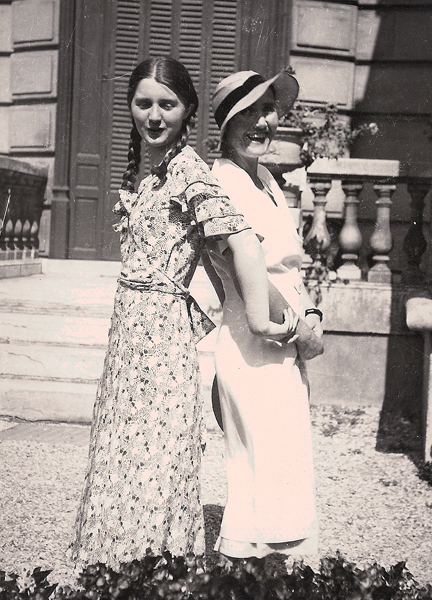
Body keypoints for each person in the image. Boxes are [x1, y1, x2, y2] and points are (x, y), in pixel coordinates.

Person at [69, 57, 295, 569]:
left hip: (161, 335)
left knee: (155, 449)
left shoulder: (190, 169)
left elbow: (241, 240)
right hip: (129, 332)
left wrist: (260, 318)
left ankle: (152, 566)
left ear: (187, 110)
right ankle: (119, 564)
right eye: (143, 103)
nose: (153, 115)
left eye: (166, 104)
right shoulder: (151, 172)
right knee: (126, 442)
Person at [204, 69, 324, 560]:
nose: (261, 122)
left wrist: (312, 313)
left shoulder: (267, 180)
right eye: (247, 112)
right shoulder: (222, 182)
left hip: (287, 334)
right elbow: (247, 267)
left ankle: (275, 575)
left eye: (267, 110)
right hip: (253, 335)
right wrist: (302, 331)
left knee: (282, 457)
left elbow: (292, 265)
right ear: (226, 124)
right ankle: (247, 573)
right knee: (261, 458)